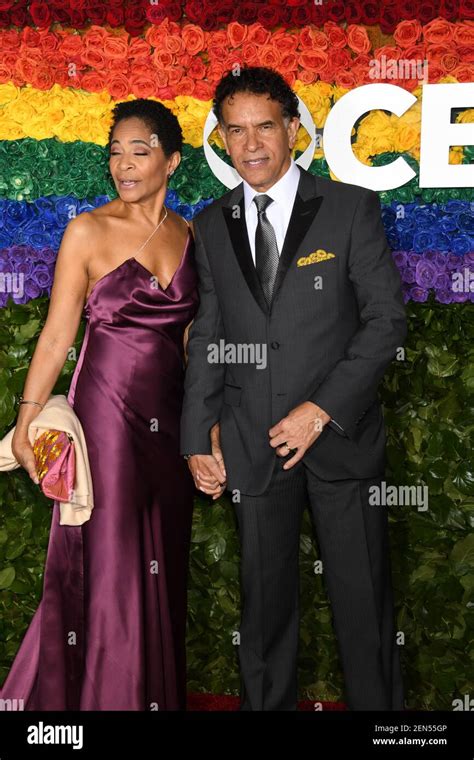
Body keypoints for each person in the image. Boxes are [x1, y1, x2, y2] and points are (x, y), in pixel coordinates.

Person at [181, 67, 407, 711]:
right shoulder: (210, 224)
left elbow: (387, 321)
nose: (251, 144)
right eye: (236, 131)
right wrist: (198, 433)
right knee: (263, 615)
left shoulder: (349, 207)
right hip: (252, 446)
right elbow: (210, 335)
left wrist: (321, 410)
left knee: (364, 609)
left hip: (340, 441)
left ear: (294, 130)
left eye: (265, 127)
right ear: (221, 139)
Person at [0, 98, 198, 710]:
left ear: (172, 160)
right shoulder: (87, 229)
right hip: (104, 419)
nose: (123, 165)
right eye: (114, 152)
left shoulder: (189, 235)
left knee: (159, 559)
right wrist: (27, 418)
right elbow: (59, 333)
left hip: (168, 431)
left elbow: (191, 343)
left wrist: (203, 427)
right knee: (110, 559)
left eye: (139, 151)